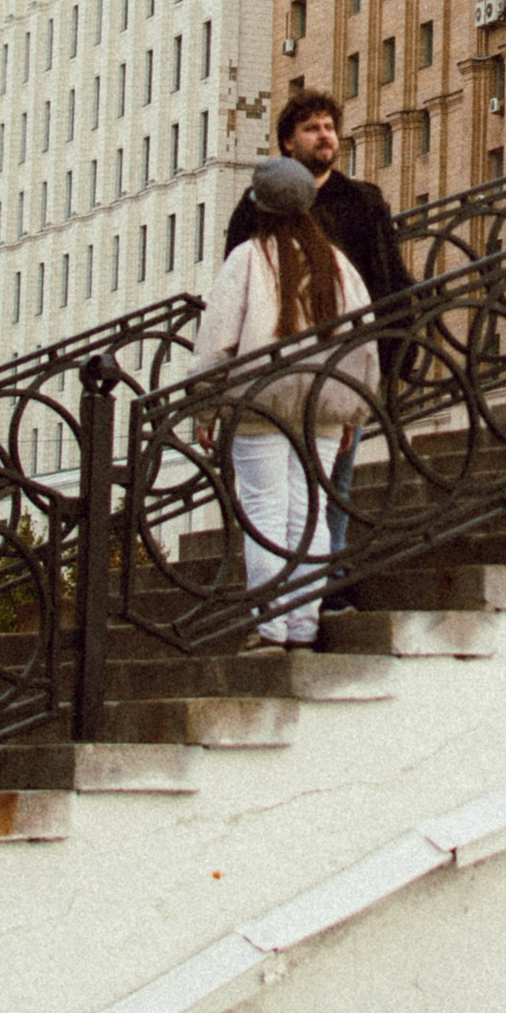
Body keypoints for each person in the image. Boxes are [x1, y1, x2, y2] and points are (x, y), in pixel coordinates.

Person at [191, 155, 380, 648]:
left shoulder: (248, 259)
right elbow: (364, 342)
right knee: (309, 515)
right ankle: (303, 625)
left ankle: (269, 627)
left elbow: (216, 343)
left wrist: (204, 408)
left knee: (264, 515)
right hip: (322, 405)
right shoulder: (338, 265)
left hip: (260, 403)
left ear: (261, 207)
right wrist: (352, 416)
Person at [224, 93, 413, 564]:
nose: (325, 135)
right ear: (288, 143)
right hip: (273, 368)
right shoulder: (256, 208)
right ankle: (288, 589)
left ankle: (322, 587)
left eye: (329, 126)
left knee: (332, 484)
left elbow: (389, 280)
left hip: (341, 367)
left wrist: (393, 361)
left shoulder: (362, 201)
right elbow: (234, 291)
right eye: (311, 128)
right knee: (277, 492)